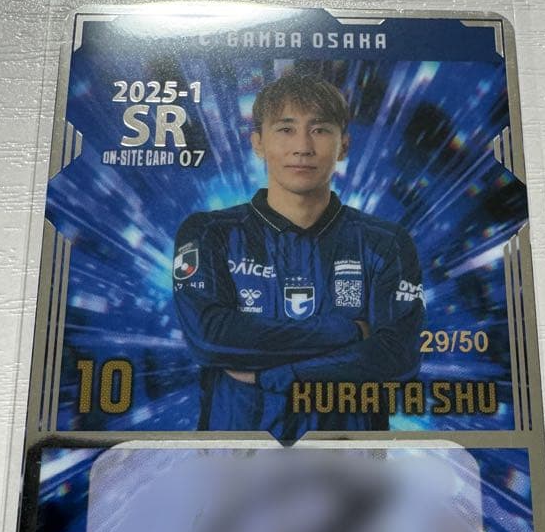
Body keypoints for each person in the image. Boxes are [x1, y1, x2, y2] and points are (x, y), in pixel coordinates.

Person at [172, 72, 424, 439]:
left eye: (319, 130)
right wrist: (349, 331)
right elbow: (210, 339)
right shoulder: (209, 232)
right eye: (286, 129)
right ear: (258, 143)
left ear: (344, 146)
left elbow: (397, 356)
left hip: (349, 460)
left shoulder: (385, 242)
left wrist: (276, 376)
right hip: (234, 460)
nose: (302, 147)